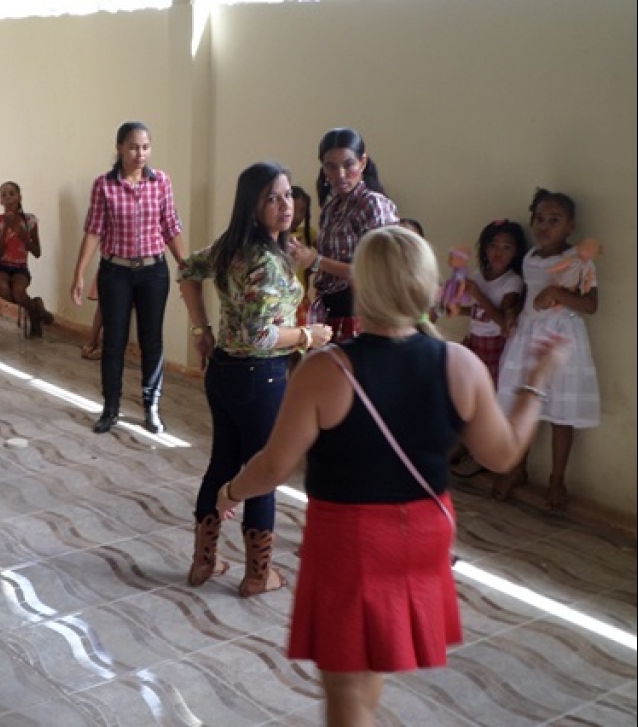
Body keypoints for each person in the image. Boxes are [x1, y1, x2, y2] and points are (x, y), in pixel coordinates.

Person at [215, 225, 566, 727]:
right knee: (371, 664)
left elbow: (273, 466)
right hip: (422, 536)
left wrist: (230, 492)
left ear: (363, 285)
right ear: (425, 286)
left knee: (345, 691)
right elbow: (504, 454)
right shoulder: (460, 364)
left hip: (352, 541)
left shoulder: (326, 370)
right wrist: (536, 382)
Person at [179, 162, 333, 597]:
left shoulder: (232, 245)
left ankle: (203, 562)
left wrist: (201, 328)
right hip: (259, 377)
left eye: (287, 195)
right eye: (272, 198)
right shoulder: (265, 261)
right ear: (252, 206)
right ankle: (257, 575)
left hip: (224, 371)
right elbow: (260, 334)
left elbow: (188, 271)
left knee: (223, 465)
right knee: (264, 470)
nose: (285, 205)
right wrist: (308, 335)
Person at [70, 121, 186, 434]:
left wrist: (185, 267)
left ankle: (151, 406)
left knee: (152, 340)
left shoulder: (161, 182)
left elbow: (170, 226)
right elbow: (94, 231)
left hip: (153, 272)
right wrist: (79, 273)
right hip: (115, 273)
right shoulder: (104, 185)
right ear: (120, 148)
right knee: (114, 341)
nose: (140, 154)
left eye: (145, 147)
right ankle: (111, 408)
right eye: (133, 147)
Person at [495, 189, 600, 512]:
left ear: (570, 226)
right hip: (527, 335)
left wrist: (557, 294)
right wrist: (513, 314)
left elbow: (591, 304)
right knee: (524, 403)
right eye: (540, 219)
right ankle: (517, 468)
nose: (545, 226)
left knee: (560, 413)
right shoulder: (530, 257)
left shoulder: (579, 260)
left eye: (554, 220)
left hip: (560, 339)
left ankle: (557, 480)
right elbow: (528, 295)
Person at [292, 127, 399, 342]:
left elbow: (376, 272)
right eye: (331, 167)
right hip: (330, 310)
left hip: (363, 311)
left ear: (363, 162)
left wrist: (316, 260)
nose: (340, 174)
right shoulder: (330, 209)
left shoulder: (372, 204)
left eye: (348, 164)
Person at [450, 219, 527, 482]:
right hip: (474, 341)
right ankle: (464, 444)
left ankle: (480, 454)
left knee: (487, 401)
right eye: (493, 245)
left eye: (507, 247)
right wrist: (457, 309)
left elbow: (503, 322)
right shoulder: (482, 275)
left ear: (516, 252)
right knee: (465, 395)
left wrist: (478, 294)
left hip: (494, 347)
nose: (498, 252)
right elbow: (478, 311)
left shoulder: (512, 283)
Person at [0, 181, 53, 340]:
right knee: (2, 288)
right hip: (2, 267)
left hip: (20, 268)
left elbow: (37, 252)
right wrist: (6, 227)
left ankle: (34, 315)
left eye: (12, 194)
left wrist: (25, 237)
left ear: (19, 197)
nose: (8, 198)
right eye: (4, 195)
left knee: (18, 292)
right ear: (0, 201)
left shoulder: (30, 221)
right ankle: (36, 306)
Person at [290, 184, 317, 327]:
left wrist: (313, 266)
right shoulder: (276, 235)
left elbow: (326, 251)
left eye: (302, 211)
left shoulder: (307, 233)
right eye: (293, 210)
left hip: (301, 297)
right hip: (284, 299)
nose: (297, 216)